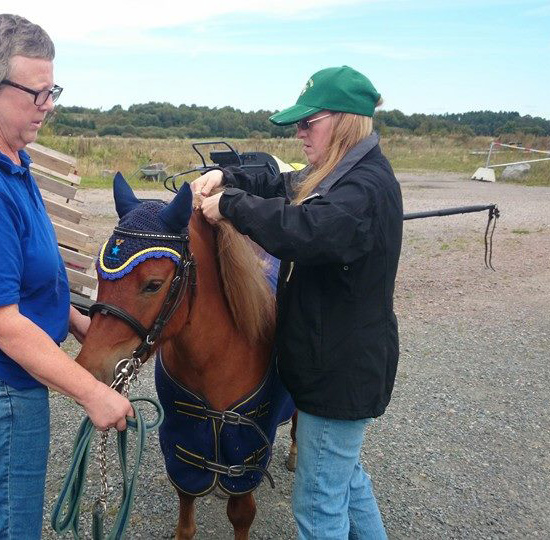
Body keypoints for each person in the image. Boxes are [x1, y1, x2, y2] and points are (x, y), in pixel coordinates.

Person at [0, 14, 132, 539]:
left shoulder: (10, 158)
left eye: (51, 89)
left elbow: (21, 277)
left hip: (1, 377)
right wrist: (91, 393)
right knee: (6, 531)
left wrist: (76, 320)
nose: (49, 104)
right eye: (36, 92)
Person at [193, 66, 402, 539]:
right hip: (337, 361)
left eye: (310, 123)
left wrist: (229, 206)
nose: (300, 134)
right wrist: (225, 175)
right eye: (298, 125)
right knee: (346, 481)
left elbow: (304, 232)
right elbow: (280, 182)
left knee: (317, 507)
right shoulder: (340, 172)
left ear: (346, 120)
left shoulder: (360, 190)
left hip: (338, 372)